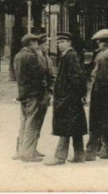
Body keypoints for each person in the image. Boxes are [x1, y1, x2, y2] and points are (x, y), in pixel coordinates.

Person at [44, 32, 88, 166]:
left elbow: (76, 78)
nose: (59, 45)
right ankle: (79, 156)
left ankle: (59, 157)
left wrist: (72, 96)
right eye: (58, 42)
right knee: (75, 127)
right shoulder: (68, 55)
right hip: (71, 98)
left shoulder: (70, 56)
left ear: (69, 42)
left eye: (62, 42)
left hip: (68, 99)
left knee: (65, 127)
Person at [85, 28, 108, 161]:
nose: (98, 45)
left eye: (99, 42)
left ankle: (93, 150)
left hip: (102, 93)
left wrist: (96, 94)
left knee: (97, 122)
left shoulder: (106, 55)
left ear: (103, 43)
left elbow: (103, 77)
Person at [13, 33, 47, 162]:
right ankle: (28, 153)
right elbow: (38, 74)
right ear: (31, 43)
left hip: (23, 93)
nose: (37, 45)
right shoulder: (31, 56)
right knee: (32, 123)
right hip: (33, 94)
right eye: (36, 42)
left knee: (24, 122)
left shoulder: (18, 55)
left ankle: (21, 151)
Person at [32, 34, 55, 157]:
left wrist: (50, 91)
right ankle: (26, 148)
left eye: (48, 44)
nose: (47, 46)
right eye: (45, 44)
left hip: (45, 95)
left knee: (38, 122)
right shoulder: (36, 58)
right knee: (32, 122)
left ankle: (33, 148)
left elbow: (52, 76)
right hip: (38, 95)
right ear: (39, 45)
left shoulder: (48, 59)